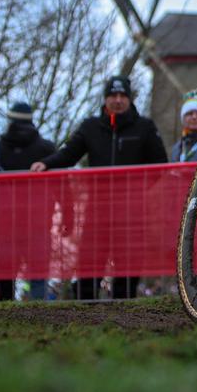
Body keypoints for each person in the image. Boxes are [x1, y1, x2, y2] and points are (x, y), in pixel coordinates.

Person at [31, 75, 166, 299]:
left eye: (123, 95)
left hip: (131, 214)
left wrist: (136, 190)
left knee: (127, 269)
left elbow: (160, 165)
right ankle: (85, 315)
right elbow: (69, 154)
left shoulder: (145, 127)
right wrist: (46, 163)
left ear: (130, 100)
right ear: (105, 99)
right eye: (113, 95)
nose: (118, 100)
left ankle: (125, 315)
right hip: (97, 211)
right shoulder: (91, 127)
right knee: (88, 266)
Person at [0, 101, 56, 300]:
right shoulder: (47, 149)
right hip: (38, 222)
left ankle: (2, 317)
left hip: (4, 222)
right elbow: (61, 186)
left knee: (4, 277)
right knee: (38, 277)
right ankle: (41, 319)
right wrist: (69, 214)